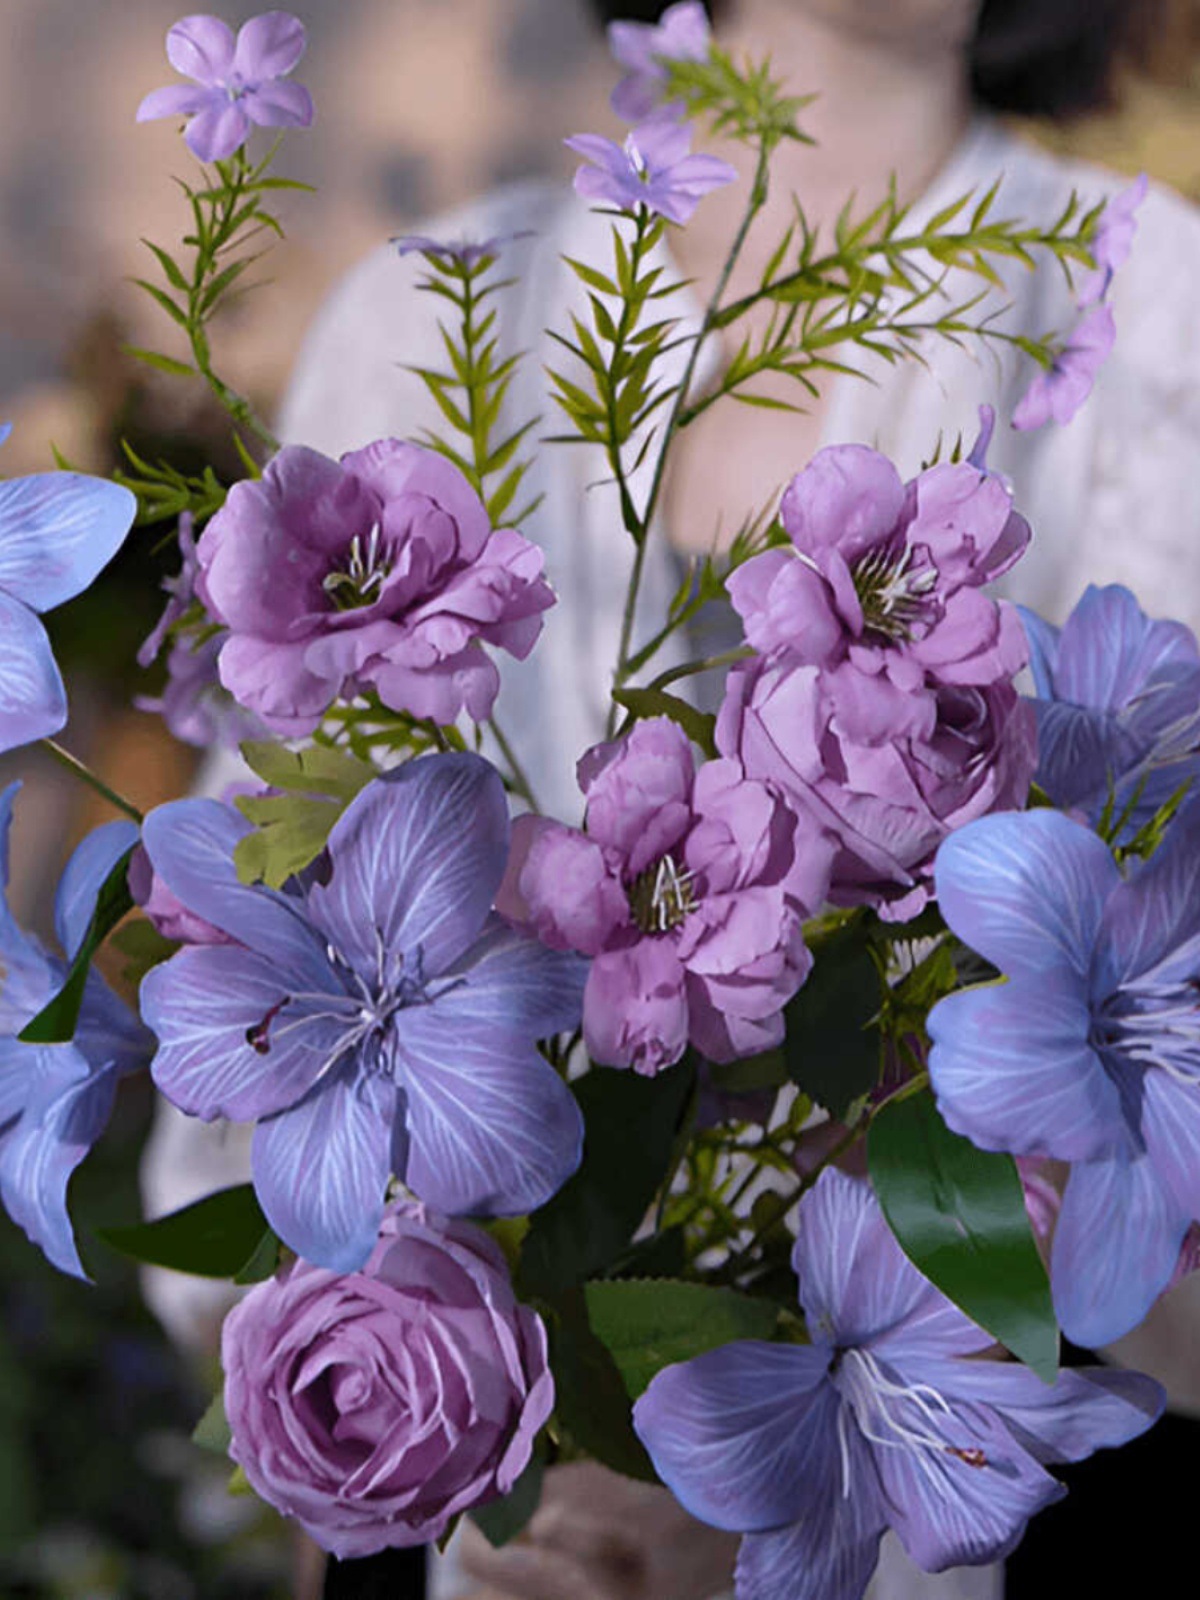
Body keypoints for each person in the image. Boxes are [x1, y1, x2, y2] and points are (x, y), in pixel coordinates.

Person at [143, 1, 1200, 1595]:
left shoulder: (1165, 322)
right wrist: (438, 1458)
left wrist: (751, 1471)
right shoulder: (427, 316)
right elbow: (247, 1017)